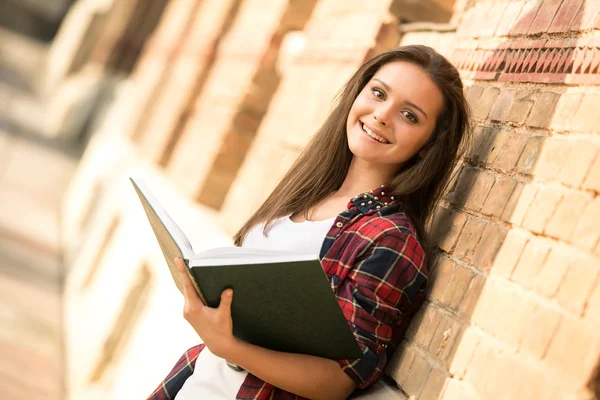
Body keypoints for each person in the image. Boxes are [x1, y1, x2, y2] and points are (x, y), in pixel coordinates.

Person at [147, 45, 471, 400]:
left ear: (429, 144)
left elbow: (337, 381)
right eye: (378, 93)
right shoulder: (307, 190)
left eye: (409, 115)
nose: (381, 115)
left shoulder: (391, 239)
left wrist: (229, 346)